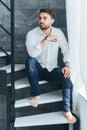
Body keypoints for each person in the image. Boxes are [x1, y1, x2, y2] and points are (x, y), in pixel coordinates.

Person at [25, 8, 77, 124]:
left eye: (45, 18)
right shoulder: (31, 34)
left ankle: (67, 110)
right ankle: (36, 94)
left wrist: (67, 65)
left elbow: (66, 50)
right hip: (36, 71)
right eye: (40, 18)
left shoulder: (58, 32)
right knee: (30, 61)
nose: (41, 20)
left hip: (52, 69)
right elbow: (32, 54)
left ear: (52, 21)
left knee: (67, 79)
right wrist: (47, 39)